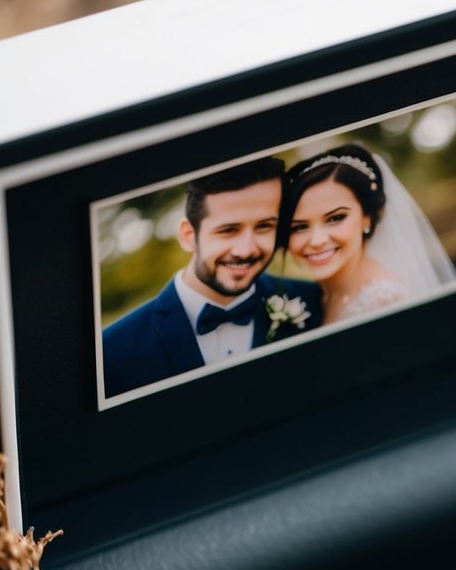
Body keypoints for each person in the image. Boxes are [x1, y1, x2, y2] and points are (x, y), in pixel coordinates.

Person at [102, 157, 322, 398]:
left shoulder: (315, 302)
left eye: (264, 226)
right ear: (188, 236)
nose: (246, 249)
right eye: (228, 230)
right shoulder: (112, 350)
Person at [280, 142, 456, 326]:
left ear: (367, 217)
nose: (317, 240)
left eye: (335, 218)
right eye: (299, 227)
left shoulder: (384, 303)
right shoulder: (314, 296)